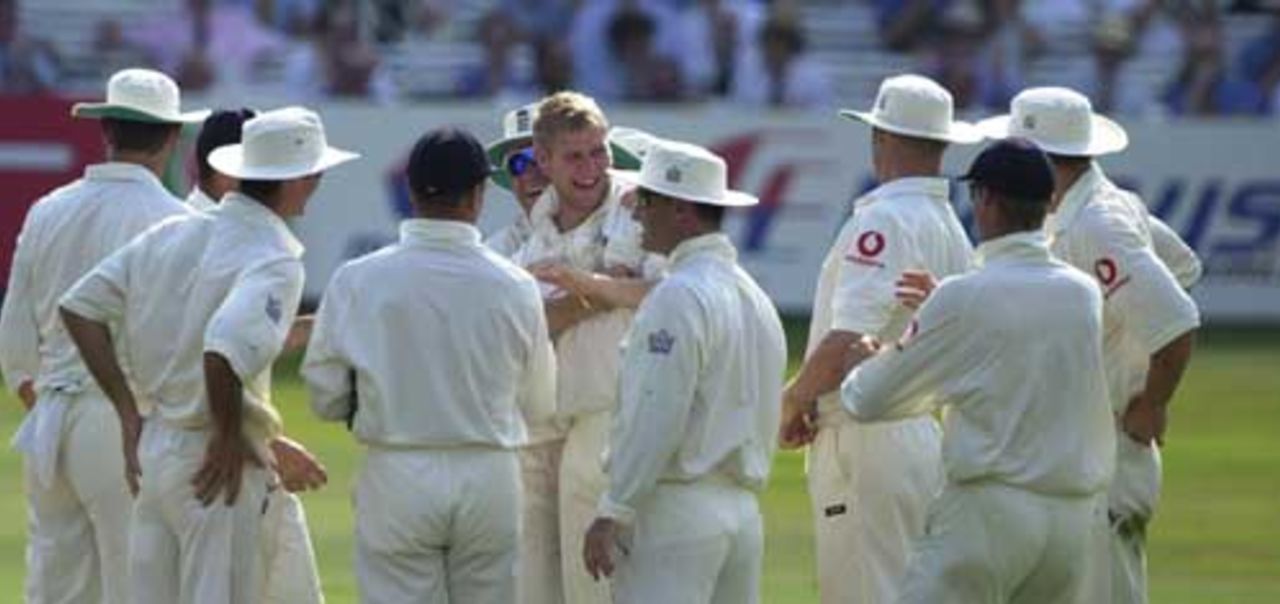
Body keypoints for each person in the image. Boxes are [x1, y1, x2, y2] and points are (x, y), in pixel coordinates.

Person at [59, 106, 355, 604]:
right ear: (302, 178)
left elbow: (79, 307)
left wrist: (128, 414)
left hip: (157, 448)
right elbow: (222, 349)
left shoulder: (176, 232)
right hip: (215, 462)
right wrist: (226, 435)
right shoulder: (275, 258)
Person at [842, 138, 1115, 604]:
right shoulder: (1083, 292)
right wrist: (946, 308)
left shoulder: (964, 297)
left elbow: (867, 399)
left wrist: (870, 356)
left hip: (989, 514)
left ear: (985, 199)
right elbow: (1013, 333)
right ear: (1050, 201)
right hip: (1071, 521)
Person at [302, 128, 556, 603]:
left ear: (412, 191)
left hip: (398, 468)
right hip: (489, 471)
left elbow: (324, 394)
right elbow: (540, 401)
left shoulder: (358, 278)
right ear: (479, 195)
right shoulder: (515, 284)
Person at [977, 86, 1201, 604]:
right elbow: (1184, 266)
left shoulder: (1097, 221)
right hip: (1079, 450)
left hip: (1109, 453)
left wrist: (1151, 402)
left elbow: (1176, 317)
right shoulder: (1095, 208)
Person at [0, 67, 205, 604]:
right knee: (136, 584)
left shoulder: (48, 210)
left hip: (50, 419)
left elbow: (15, 331)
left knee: (56, 588)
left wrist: (38, 395)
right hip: (126, 418)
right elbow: (178, 345)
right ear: (170, 136)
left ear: (106, 131)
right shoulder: (175, 221)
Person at [780, 73, 981, 604]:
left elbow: (849, 337)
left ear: (882, 139)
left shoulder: (887, 218)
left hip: (866, 433)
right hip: (916, 432)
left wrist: (795, 398)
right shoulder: (949, 224)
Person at [581, 139, 787, 604]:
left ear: (680, 210)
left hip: (675, 515)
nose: (636, 213)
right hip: (741, 513)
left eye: (647, 201)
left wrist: (615, 508)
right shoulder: (754, 296)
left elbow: (656, 412)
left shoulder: (678, 295)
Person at [510, 90, 663, 604]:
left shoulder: (637, 207)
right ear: (544, 160)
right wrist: (597, 291)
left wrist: (588, 287)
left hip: (623, 419)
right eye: (574, 156)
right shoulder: (537, 232)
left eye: (598, 151)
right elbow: (529, 328)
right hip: (558, 427)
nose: (591, 168)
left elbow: (670, 292)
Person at [185, 106, 327, 604]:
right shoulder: (226, 238)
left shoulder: (189, 232)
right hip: (212, 458)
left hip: (183, 448)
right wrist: (245, 439)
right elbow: (217, 351)